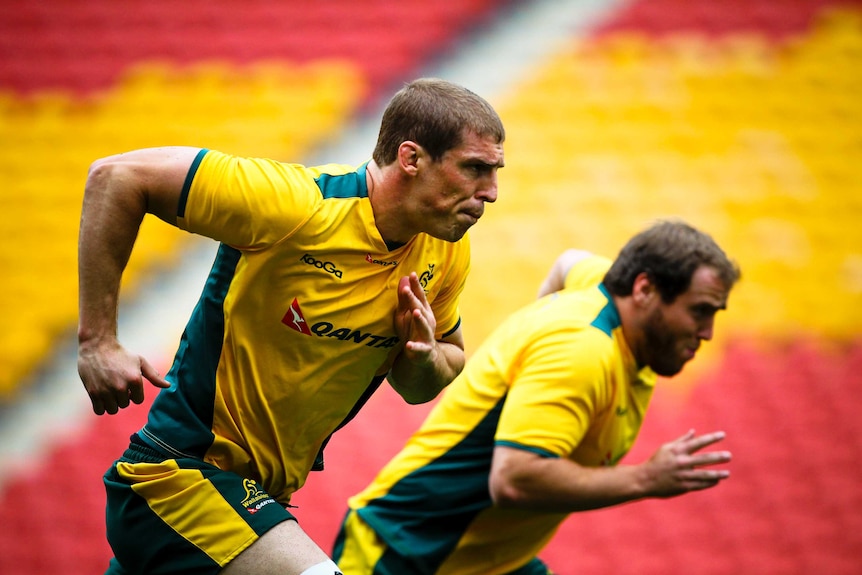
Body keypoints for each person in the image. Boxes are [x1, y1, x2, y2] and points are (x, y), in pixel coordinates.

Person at [76, 78, 505, 575]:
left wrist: (422, 356)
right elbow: (117, 176)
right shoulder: (296, 204)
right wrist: (97, 341)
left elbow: (429, 376)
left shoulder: (446, 248)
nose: (491, 193)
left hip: (259, 499)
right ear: (411, 158)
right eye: (475, 168)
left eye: (495, 172)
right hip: (178, 478)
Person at [332, 220, 741, 575]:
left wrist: (531, 343)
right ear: (645, 290)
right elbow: (514, 479)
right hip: (405, 554)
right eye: (699, 311)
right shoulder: (582, 353)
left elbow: (568, 261)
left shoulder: (606, 290)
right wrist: (647, 477)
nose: (707, 332)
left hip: (488, 564)